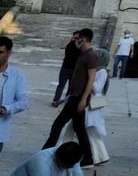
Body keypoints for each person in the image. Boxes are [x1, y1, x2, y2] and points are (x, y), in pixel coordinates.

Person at [42, 28, 97, 168]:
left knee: (58, 124)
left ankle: (46, 152)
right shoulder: (82, 54)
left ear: (83, 39)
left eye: (78, 38)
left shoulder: (90, 55)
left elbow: (91, 79)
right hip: (73, 97)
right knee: (79, 129)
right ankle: (88, 158)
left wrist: (84, 99)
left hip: (78, 98)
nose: (76, 41)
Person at [0, 35, 31, 153]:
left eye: (0, 52)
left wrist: (5, 109)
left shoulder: (17, 76)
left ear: (9, 53)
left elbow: (23, 102)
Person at [11, 143, 84, 176]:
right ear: (58, 159)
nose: (71, 168)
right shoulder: (41, 165)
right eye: (66, 166)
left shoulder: (72, 155)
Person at [51, 33, 81, 107]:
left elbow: (79, 48)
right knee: (61, 85)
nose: (76, 38)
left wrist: (77, 41)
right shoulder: (69, 43)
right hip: (65, 67)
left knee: (71, 87)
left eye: (78, 37)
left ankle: (66, 102)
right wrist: (70, 39)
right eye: (75, 36)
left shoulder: (80, 45)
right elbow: (61, 46)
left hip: (74, 69)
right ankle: (56, 100)